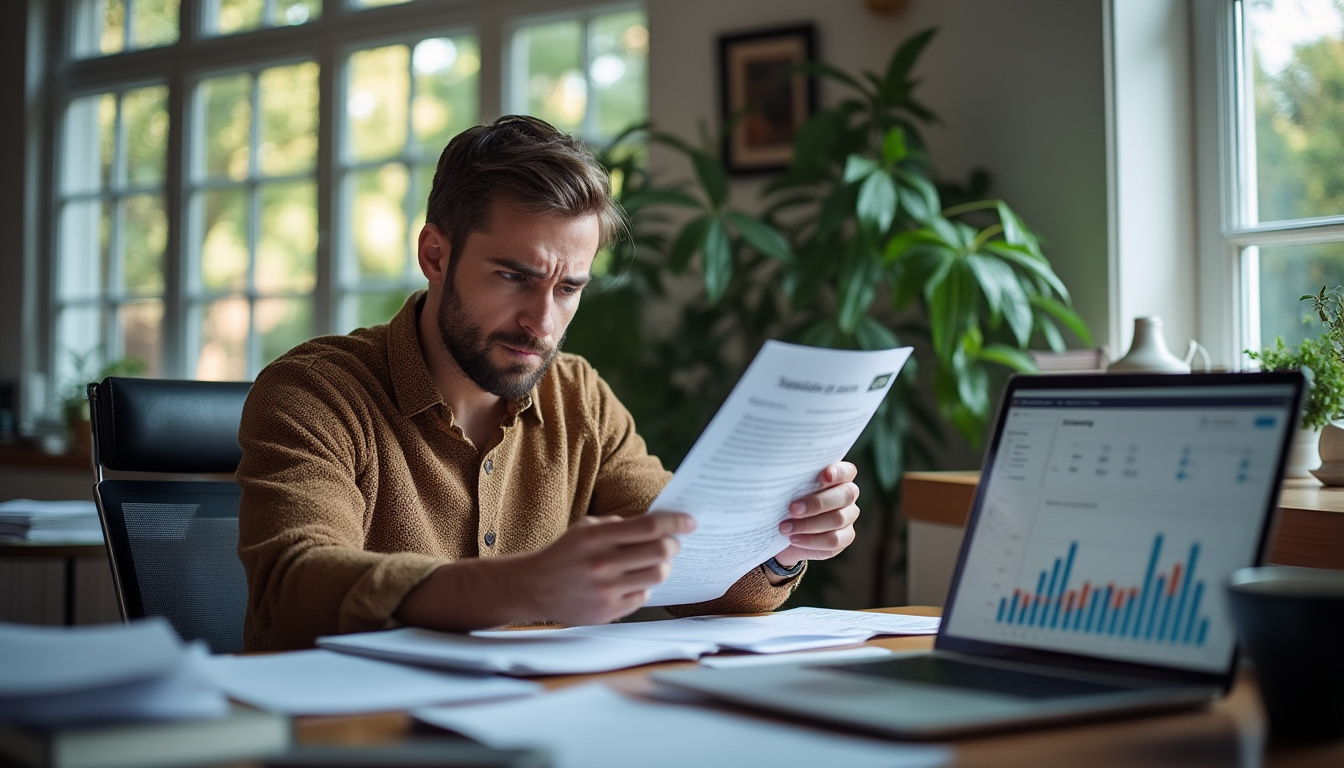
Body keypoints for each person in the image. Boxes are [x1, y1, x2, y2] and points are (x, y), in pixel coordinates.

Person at [236, 115, 862, 652]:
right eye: (514, 277)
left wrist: (780, 544)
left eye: (568, 289)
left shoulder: (579, 397)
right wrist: (522, 585)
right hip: (350, 730)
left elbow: (693, 573)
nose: (542, 322)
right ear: (435, 255)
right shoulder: (313, 393)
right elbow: (295, 586)